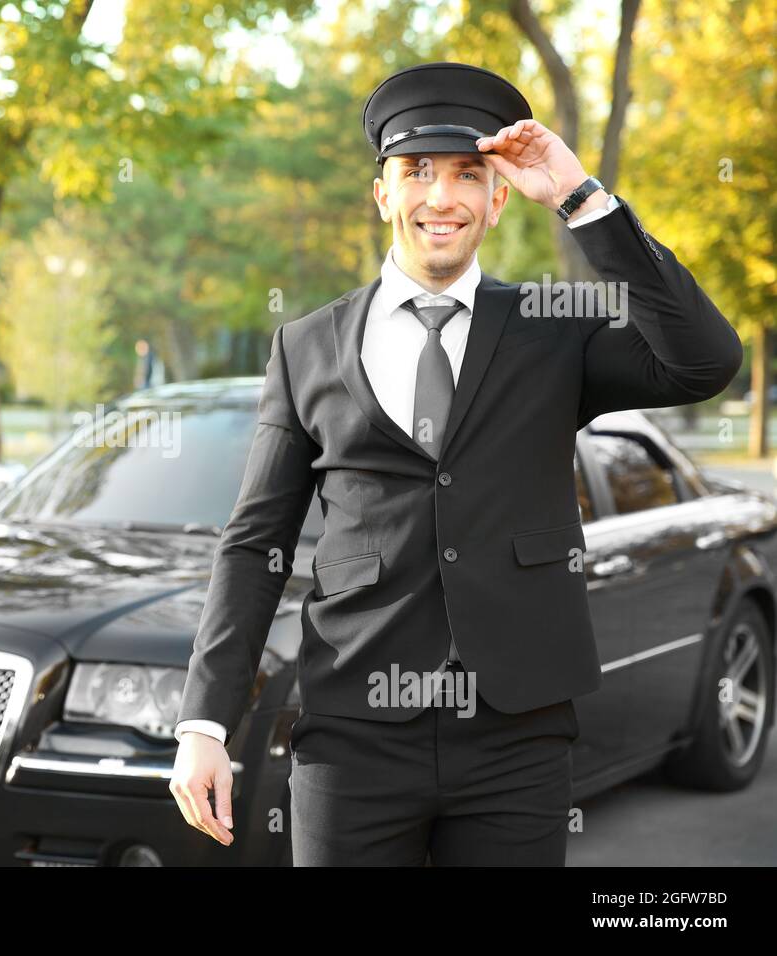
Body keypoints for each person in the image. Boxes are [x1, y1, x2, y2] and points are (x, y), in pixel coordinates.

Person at [168, 61, 743, 865]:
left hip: (518, 736)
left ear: (499, 197)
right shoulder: (306, 346)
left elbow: (704, 361)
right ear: (383, 194)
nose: (441, 198)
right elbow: (252, 541)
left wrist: (582, 200)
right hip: (353, 735)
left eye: (467, 175)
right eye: (416, 173)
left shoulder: (553, 327)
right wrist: (203, 723)